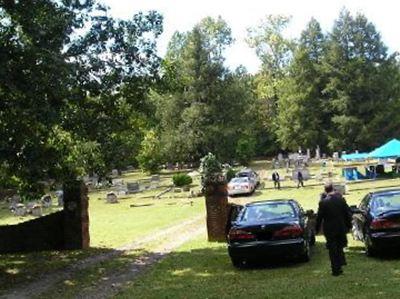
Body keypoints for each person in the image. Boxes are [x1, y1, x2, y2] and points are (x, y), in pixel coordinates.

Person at [316, 183, 352, 276]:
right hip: (340, 227)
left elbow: (319, 217)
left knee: (332, 249)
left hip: (329, 229)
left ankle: (335, 269)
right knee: (339, 246)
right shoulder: (341, 200)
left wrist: (316, 229)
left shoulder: (323, 202)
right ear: (333, 189)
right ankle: (340, 265)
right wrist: (349, 225)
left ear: (325, 190)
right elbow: (347, 214)